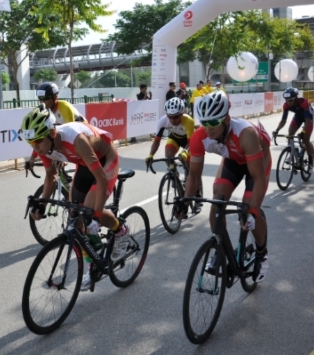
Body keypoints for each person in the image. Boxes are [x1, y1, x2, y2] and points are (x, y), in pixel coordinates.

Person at [21, 105, 128, 290]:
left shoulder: (75, 139)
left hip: (106, 159)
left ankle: (121, 231)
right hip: (84, 163)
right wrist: (42, 205)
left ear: (52, 133)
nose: (35, 147)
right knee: (75, 217)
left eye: (37, 141)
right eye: (31, 143)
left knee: (88, 211)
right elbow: (51, 176)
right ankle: (92, 262)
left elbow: (101, 179)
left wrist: (95, 217)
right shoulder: (43, 146)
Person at [179, 91, 272, 282]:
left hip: (257, 161)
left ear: (226, 119)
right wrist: (185, 202)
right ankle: (219, 248)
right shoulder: (199, 137)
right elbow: (194, 175)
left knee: (247, 211)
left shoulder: (245, 134)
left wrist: (253, 212)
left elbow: (258, 178)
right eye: (204, 122)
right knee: (217, 200)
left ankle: (262, 253)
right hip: (233, 160)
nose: (208, 128)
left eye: (213, 123)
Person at [145, 97, 202, 211]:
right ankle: (174, 175)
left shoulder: (189, 121)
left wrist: (185, 152)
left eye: (175, 117)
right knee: (168, 155)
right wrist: (150, 155)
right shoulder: (163, 121)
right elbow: (156, 141)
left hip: (189, 141)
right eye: (169, 116)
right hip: (175, 138)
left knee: (191, 168)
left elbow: (191, 143)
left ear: (181, 114)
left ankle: (198, 197)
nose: (172, 120)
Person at [26, 82, 86, 171]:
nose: (42, 103)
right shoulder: (42, 112)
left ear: (55, 97)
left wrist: (62, 158)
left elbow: (72, 135)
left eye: (46, 99)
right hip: (60, 137)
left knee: (81, 170)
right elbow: (40, 138)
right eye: (40, 99)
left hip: (81, 136)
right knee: (51, 173)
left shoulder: (65, 108)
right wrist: (32, 158)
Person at [272, 87, 314, 171]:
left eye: (290, 100)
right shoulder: (286, 105)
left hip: (308, 118)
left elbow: (307, 120)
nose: (288, 102)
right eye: (286, 100)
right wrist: (277, 130)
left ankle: (311, 161)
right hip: (298, 117)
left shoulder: (303, 103)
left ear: (295, 98)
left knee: (305, 140)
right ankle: (291, 153)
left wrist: (302, 132)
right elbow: (283, 120)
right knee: (290, 134)